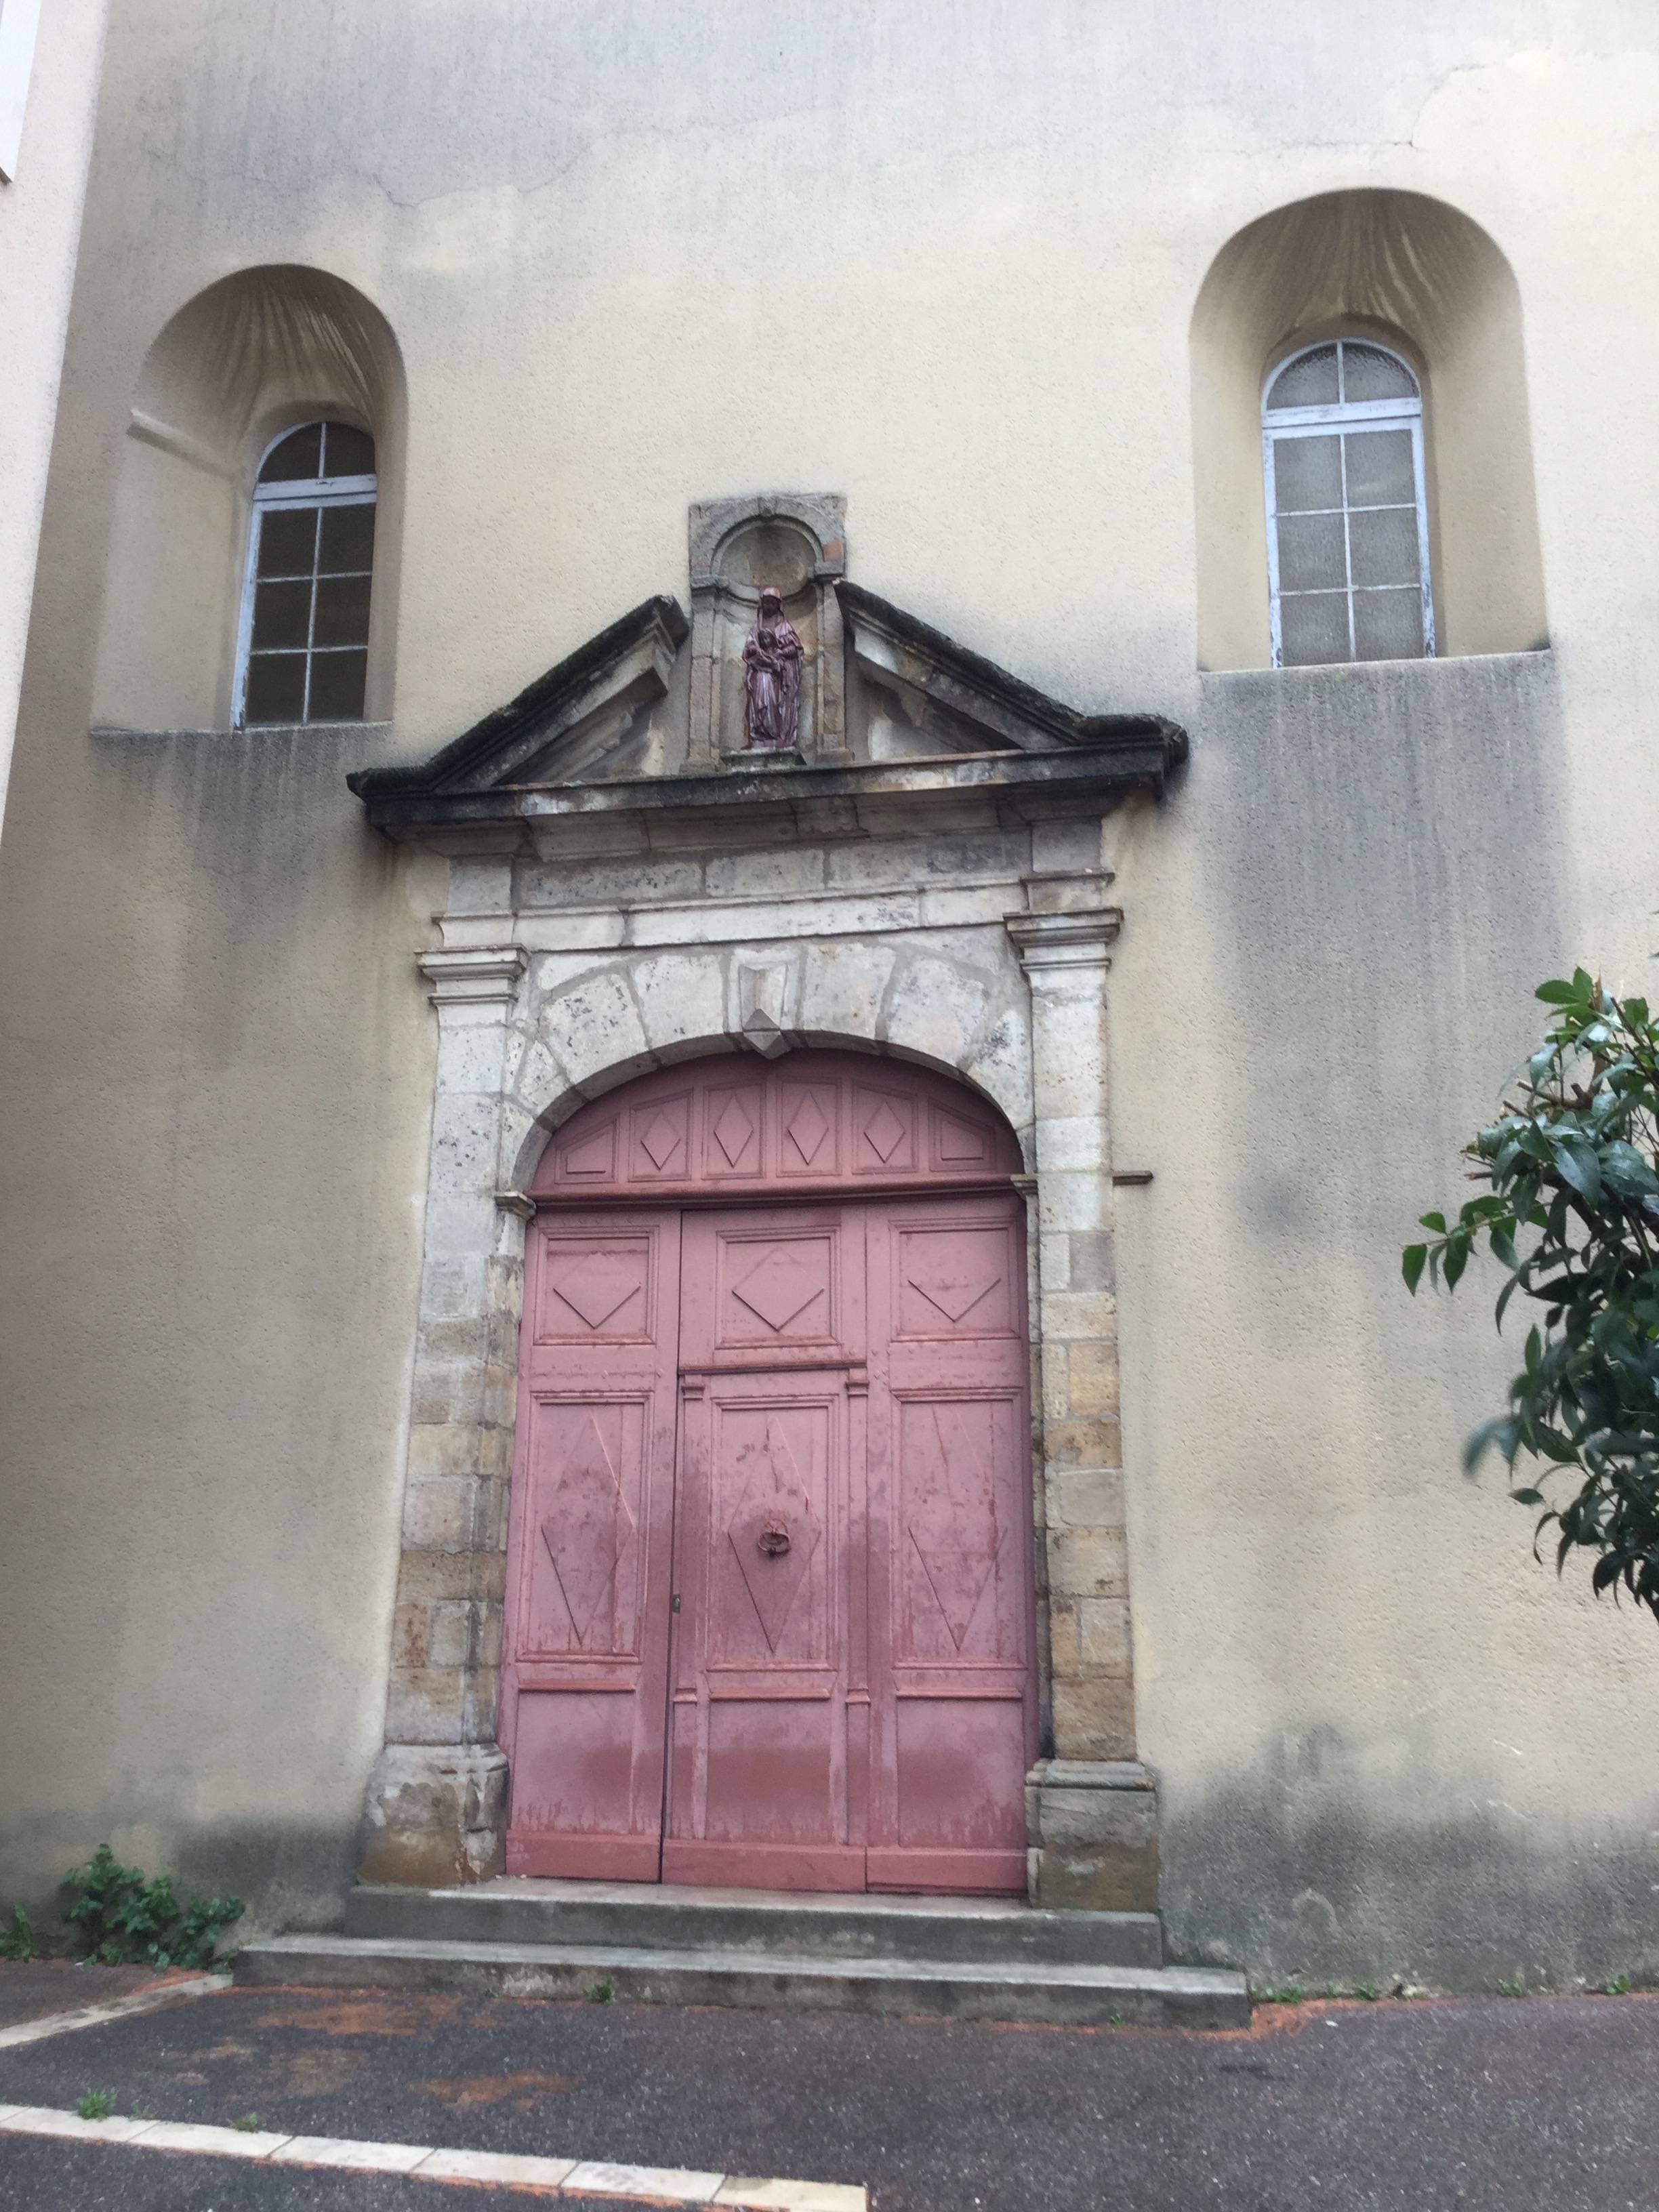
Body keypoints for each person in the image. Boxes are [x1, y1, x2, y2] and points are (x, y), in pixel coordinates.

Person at [741, 587, 804, 750]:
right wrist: (755, 650)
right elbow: (749, 648)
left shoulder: (785, 627)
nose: (769, 606)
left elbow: (795, 649)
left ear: (778, 605)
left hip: (777, 676)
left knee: (774, 704)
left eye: (772, 603)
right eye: (766, 603)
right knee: (758, 702)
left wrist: (779, 653)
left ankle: (776, 734)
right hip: (759, 673)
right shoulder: (755, 629)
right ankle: (759, 735)